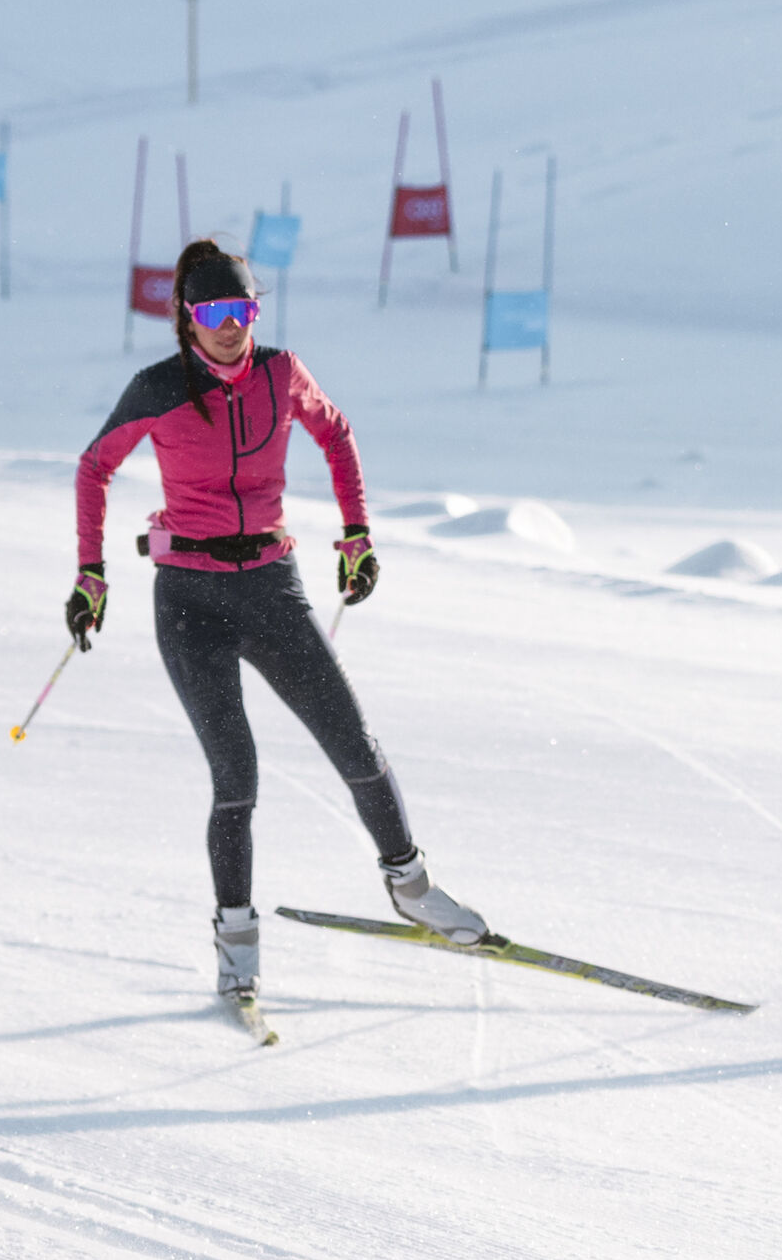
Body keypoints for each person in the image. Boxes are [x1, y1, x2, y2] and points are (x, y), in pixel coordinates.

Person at [69, 239, 486, 1012]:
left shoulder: (280, 373)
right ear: (187, 321)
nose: (232, 328)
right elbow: (95, 466)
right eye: (215, 313)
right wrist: (91, 572)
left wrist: (357, 533)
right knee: (238, 777)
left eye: (244, 310)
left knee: (353, 741)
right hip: (190, 601)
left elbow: (336, 433)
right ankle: (236, 948)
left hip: (271, 587)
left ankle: (412, 885)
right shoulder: (158, 388)